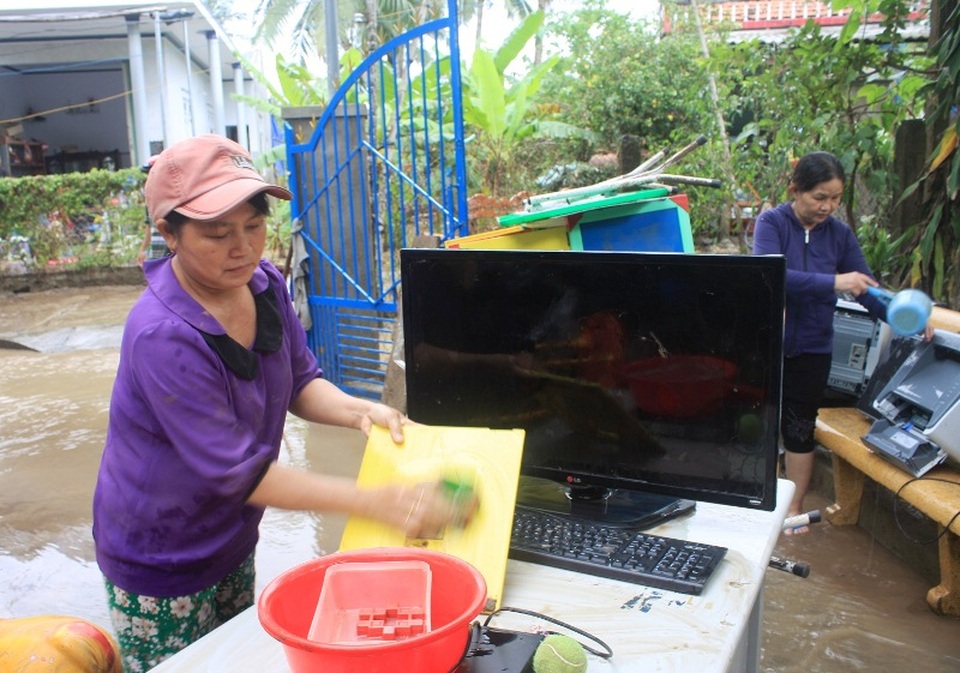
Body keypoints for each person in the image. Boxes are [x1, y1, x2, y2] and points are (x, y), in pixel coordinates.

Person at [92, 135, 463, 672]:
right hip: (158, 551)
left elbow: (299, 383)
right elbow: (244, 475)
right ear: (168, 232)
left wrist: (363, 411)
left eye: (254, 226)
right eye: (217, 233)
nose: (242, 248)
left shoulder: (263, 284)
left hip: (231, 533)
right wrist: (381, 500)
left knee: (235, 658)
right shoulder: (163, 335)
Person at [752, 151, 931, 534]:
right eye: (820, 197)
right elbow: (771, 275)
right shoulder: (771, 223)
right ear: (795, 190)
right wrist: (834, 282)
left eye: (835, 198)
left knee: (800, 429)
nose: (828, 207)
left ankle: (794, 508)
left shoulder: (839, 234)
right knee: (758, 425)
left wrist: (905, 318)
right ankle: (755, 500)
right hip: (765, 345)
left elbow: (866, 288)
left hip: (813, 347)